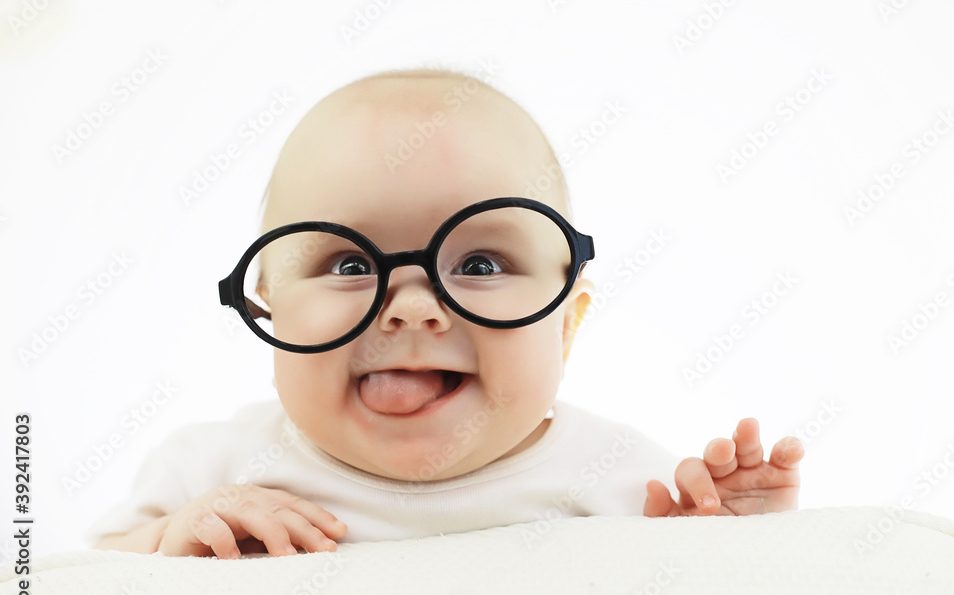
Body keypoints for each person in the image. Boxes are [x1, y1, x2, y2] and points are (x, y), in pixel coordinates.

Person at [92, 68, 804, 558]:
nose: (410, 307)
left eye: (481, 264)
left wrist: (729, 544)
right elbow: (81, 586)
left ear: (566, 323)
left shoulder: (627, 482)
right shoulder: (211, 467)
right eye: (350, 266)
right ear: (269, 309)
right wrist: (171, 541)